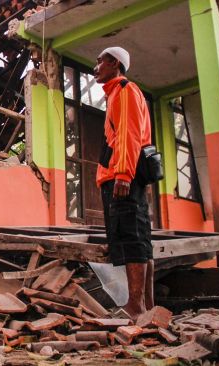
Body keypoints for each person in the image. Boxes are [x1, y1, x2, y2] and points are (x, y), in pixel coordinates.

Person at [93, 47, 153, 320]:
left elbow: (130, 135)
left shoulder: (126, 90)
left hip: (122, 177)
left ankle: (135, 306)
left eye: (100, 62)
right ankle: (147, 307)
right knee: (138, 238)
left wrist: (123, 175)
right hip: (122, 175)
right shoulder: (116, 93)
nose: (96, 67)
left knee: (130, 238)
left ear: (114, 63)